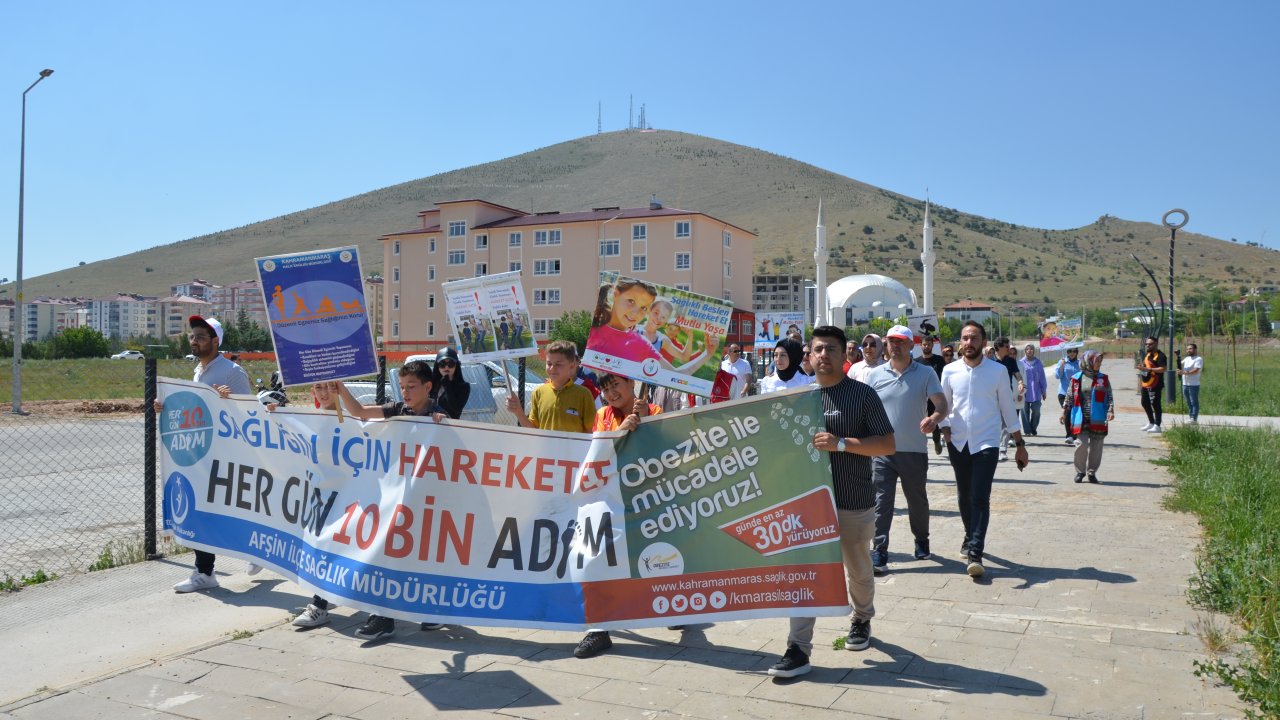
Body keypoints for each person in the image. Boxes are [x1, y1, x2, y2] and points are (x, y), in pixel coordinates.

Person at [769, 326, 895, 679]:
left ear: (843, 356)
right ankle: (798, 648)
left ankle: (861, 618)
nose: (824, 355)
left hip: (853, 500)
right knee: (804, 573)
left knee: (858, 570)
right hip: (808, 505)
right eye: (818, 349)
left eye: (831, 349)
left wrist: (841, 444)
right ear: (808, 356)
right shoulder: (799, 398)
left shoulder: (862, 395)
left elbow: (887, 444)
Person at [504, 341, 612, 658]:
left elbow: (593, 437)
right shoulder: (539, 393)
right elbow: (535, 430)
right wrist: (519, 413)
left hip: (576, 483)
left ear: (574, 366)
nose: (551, 369)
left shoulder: (584, 396)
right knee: (544, 538)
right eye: (549, 363)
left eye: (558, 364)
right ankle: (548, 594)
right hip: (547, 480)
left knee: (578, 539)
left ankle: (588, 606)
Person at [332, 360, 447, 641]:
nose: (405, 392)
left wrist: (443, 426)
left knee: (421, 557)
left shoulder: (439, 416)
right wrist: (341, 389)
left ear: (428, 387)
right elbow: (359, 412)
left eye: (412, 387)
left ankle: (430, 610)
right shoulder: (397, 410)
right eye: (402, 387)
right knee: (385, 552)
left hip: (425, 500)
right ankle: (382, 617)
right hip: (395, 498)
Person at [170, 315, 253, 593]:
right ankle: (205, 573)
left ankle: (255, 551)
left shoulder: (232, 371)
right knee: (201, 512)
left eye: (201, 337)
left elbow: (249, 414)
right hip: (202, 454)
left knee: (234, 510)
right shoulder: (198, 371)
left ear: (215, 341)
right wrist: (168, 408)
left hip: (228, 456)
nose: (194, 341)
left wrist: (229, 400)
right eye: (192, 336)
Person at [939, 321, 1027, 579]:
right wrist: (944, 430)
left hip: (986, 443)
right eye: (965, 338)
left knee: (979, 496)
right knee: (964, 495)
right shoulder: (950, 371)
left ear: (984, 342)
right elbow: (944, 406)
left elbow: (1008, 409)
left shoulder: (998, 371)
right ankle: (970, 535)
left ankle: (975, 552)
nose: (969, 342)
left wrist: (1020, 445)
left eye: (974, 338)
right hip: (958, 442)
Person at [865, 325, 947, 574]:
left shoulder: (926, 373)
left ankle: (921, 540)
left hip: (914, 450)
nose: (895, 346)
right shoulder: (875, 375)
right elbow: (865, 411)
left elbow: (942, 405)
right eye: (891, 341)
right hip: (882, 451)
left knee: (917, 500)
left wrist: (934, 419)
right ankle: (879, 549)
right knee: (881, 502)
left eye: (900, 341)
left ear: (912, 345)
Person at [1060, 349, 1114, 484]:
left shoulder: (1103, 379)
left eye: (1100, 361)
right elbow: (1069, 396)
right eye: (1097, 361)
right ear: (1088, 361)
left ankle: (1092, 473)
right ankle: (1080, 472)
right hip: (1081, 418)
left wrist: (1111, 410)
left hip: (1098, 418)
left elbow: (1109, 396)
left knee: (1096, 447)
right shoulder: (1076, 378)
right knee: (1081, 445)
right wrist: (1063, 412)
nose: (1099, 363)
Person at [993, 337, 1024, 462]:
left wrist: (1020, 383)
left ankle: (1002, 449)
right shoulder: (990, 362)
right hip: (991, 397)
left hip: (1006, 395)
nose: (1008, 349)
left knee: (1006, 422)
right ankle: (993, 448)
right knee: (995, 423)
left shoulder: (1011, 361)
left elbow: (1017, 375)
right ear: (998, 348)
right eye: (1006, 347)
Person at [915, 335, 947, 455]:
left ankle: (936, 440)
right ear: (921, 345)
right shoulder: (916, 362)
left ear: (932, 345)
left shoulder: (939, 360)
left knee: (934, 421)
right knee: (920, 420)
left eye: (929, 344)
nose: (926, 346)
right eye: (924, 344)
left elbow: (944, 376)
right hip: (921, 396)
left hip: (935, 395)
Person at [1135, 336, 1168, 433]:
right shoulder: (1148, 354)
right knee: (1144, 403)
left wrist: (1149, 369)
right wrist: (1142, 367)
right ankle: (1151, 422)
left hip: (1156, 384)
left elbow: (1163, 369)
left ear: (1156, 344)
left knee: (1155, 404)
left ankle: (1157, 425)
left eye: (1150, 344)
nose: (1148, 346)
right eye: (1146, 344)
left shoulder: (1161, 355)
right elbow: (1146, 365)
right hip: (1146, 383)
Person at [431, 346, 471, 420]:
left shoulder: (464, 387)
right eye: (442, 364)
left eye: (451, 364)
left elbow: (456, 410)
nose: (446, 367)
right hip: (430, 424)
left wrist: (447, 385)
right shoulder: (432, 384)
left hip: (450, 425)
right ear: (437, 366)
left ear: (456, 366)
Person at [1054, 347, 1082, 445]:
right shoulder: (1062, 362)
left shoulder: (1080, 363)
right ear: (1067, 352)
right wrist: (1062, 366)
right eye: (1070, 351)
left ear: (1077, 352)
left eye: (1074, 351)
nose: (1072, 353)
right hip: (1063, 392)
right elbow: (1057, 376)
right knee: (1067, 412)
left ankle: (1076, 435)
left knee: (1075, 413)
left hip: (1077, 393)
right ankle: (1069, 435)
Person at [1019, 344, 1047, 436]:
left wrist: (1044, 391)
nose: (1029, 350)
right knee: (1024, 412)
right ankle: (1027, 431)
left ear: (1034, 351)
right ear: (1025, 351)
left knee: (1036, 410)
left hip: (1036, 391)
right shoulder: (1021, 362)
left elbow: (1042, 377)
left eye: (1031, 349)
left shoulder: (1038, 362)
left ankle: (1033, 428)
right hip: (1024, 391)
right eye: (1027, 349)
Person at [1177, 342, 1203, 423]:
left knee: (1194, 402)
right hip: (1185, 384)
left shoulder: (1198, 359)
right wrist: (1178, 358)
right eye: (1187, 349)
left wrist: (1184, 373)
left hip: (1193, 384)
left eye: (1190, 349)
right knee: (1188, 402)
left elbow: (1196, 370)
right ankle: (1191, 416)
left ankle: (1194, 418)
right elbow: (1180, 364)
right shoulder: (1187, 358)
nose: (1188, 350)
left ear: (1195, 349)